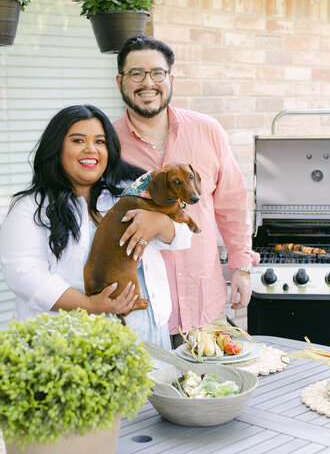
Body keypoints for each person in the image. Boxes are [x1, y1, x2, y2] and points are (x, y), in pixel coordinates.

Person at [0, 105, 192, 352]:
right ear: (57, 147)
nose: (91, 149)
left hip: (146, 334)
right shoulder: (30, 207)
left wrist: (160, 222)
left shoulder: (129, 191)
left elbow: (183, 237)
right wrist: (90, 304)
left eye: (100, 141)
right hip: (71, 340)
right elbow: (24, 274)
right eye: (78, 140)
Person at [113, 35, 260, 346]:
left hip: (205, 305)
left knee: (217, 389)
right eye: (136, 73)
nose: (147, 83)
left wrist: (242, 268)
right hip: (140, 315)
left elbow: (232, 205)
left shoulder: (208, 131)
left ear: (171, 78)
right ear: (120, 81)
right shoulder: (106, 144)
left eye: (157, 73)